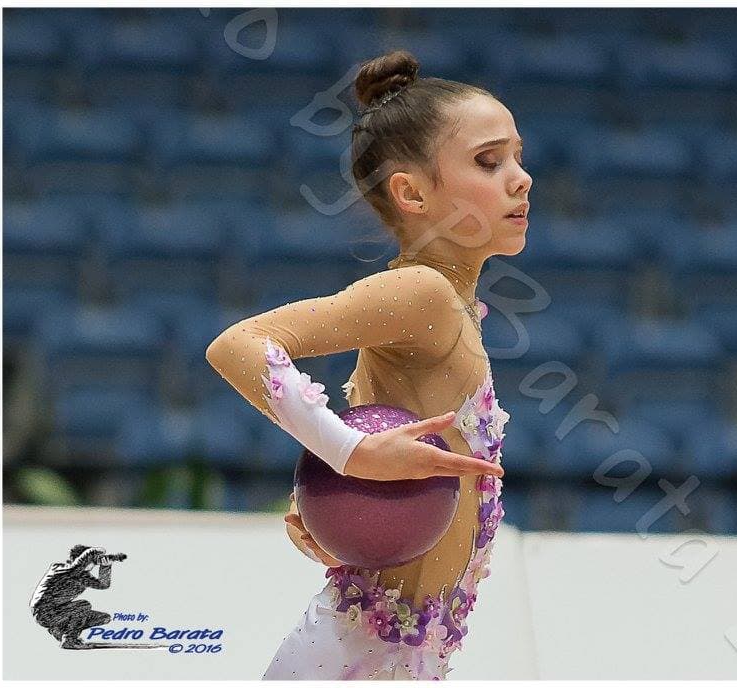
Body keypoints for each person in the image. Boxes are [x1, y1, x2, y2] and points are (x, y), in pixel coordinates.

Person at [205, 48, 531, 680]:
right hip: (356, 662)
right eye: (489, 161)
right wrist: (347, 453)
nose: (520, 178)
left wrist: (341, 505)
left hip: (388, 654)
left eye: (519, 156)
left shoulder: (454, 302)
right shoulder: (420, 294)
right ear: (410, 192)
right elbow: (238, 344)